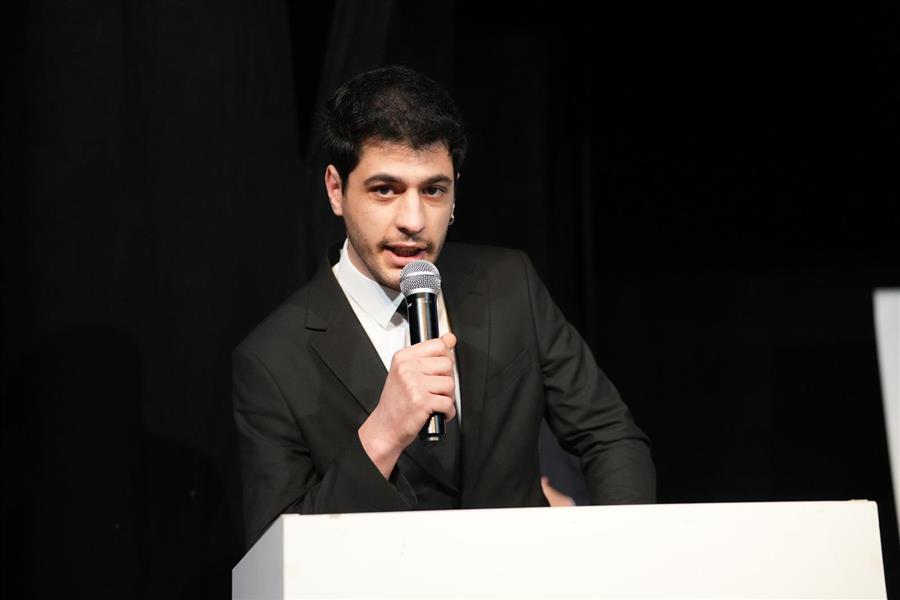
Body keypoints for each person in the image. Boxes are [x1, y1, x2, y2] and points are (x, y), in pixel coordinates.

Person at [233, 65, 655, 547]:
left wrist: (621, 555)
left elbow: (609, 434)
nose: (413, 221)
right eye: (385, 190)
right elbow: (277, 553)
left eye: (433, 190)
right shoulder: (273, 358)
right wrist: (381, 435)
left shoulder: (508, 282)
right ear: (336, 189)